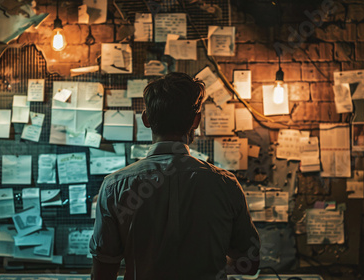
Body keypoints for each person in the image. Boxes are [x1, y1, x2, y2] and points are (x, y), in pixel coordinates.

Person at [90, 72, 260, 280]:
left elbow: (103, 273)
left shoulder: (114, 187)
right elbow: (249, 263)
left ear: (146, 119)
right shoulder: (225, 185)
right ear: (196, 120)